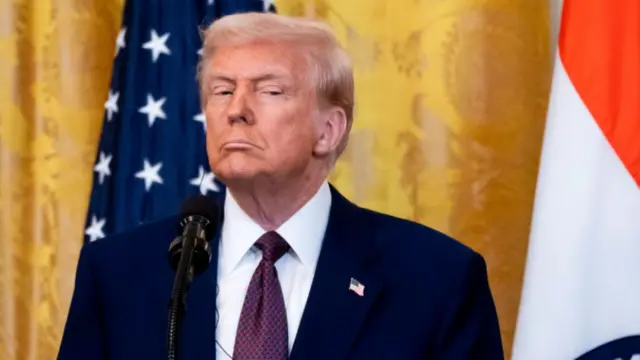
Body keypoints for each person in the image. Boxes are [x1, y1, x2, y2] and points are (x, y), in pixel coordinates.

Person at [57, 12, 503, 360]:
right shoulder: (119, 273)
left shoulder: (435, 279)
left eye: (270, 91)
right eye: (222, 90)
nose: (238, 110)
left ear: (328, 130)